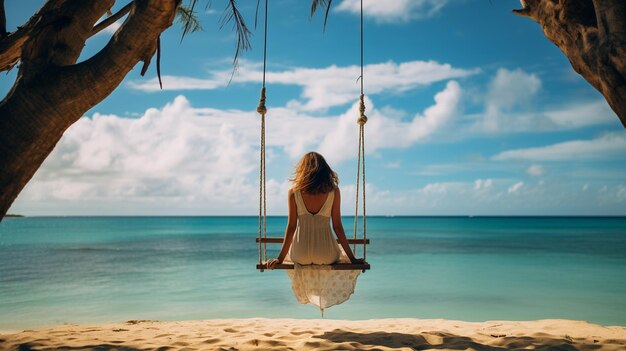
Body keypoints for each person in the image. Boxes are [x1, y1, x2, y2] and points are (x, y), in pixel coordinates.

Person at [265, 152, 363, 312]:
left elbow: (291, 227)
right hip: (326, 255)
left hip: (300, 254)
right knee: (340, 254)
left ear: (303, 170)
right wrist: (352, 259)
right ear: (325, 171)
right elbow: (338, 227)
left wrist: (280, 259)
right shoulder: (333, 191)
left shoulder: (294, 192)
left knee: (293, 253)